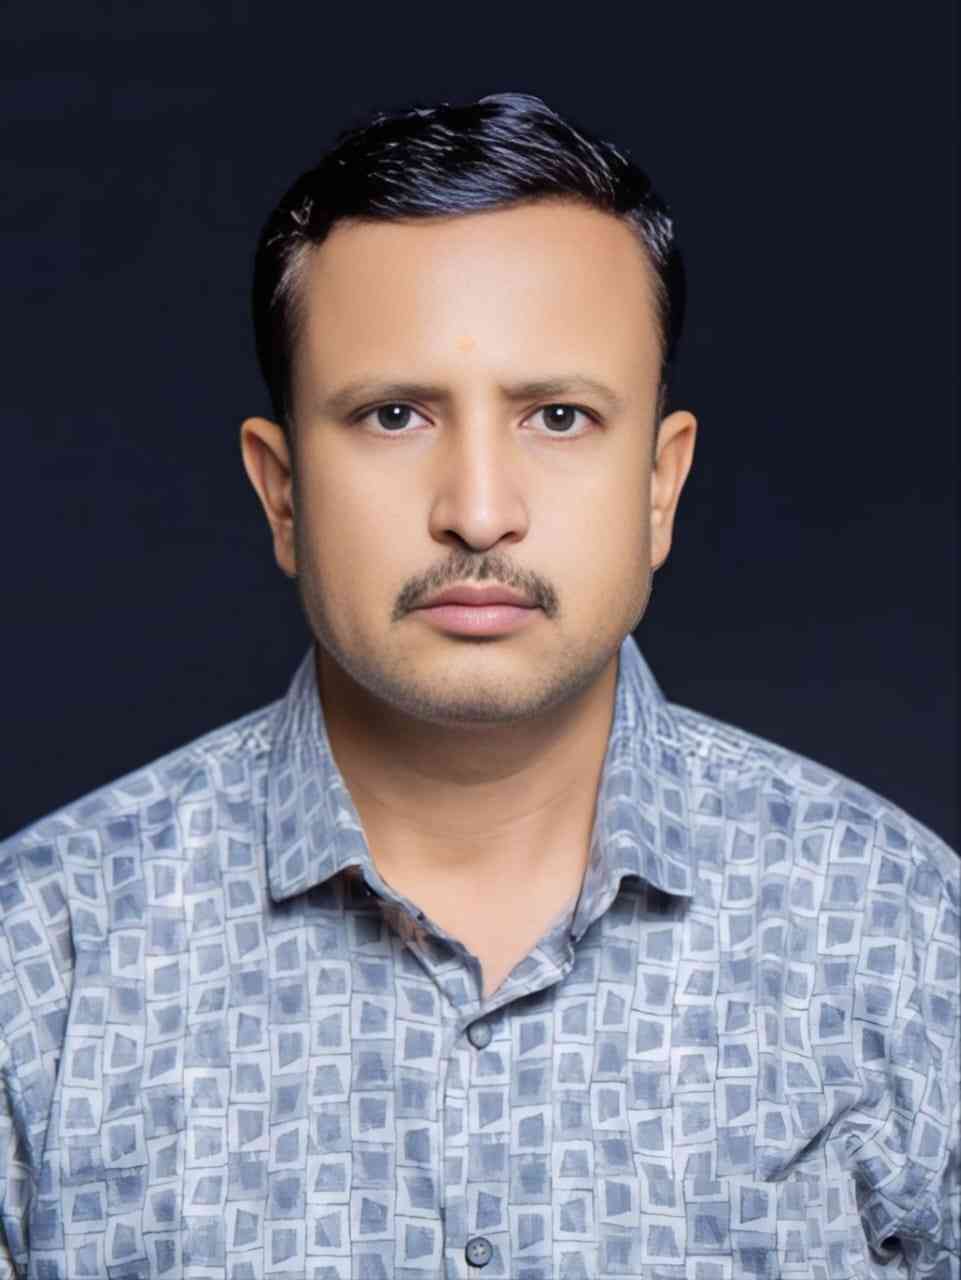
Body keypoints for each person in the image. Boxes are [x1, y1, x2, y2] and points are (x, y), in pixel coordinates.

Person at [0, 91, 957, 1280]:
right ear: (281, 490)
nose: (479, 510)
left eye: (558, 415)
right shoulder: (39, 960)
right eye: (393, 414)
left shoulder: (899, 930)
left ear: (659, 485)